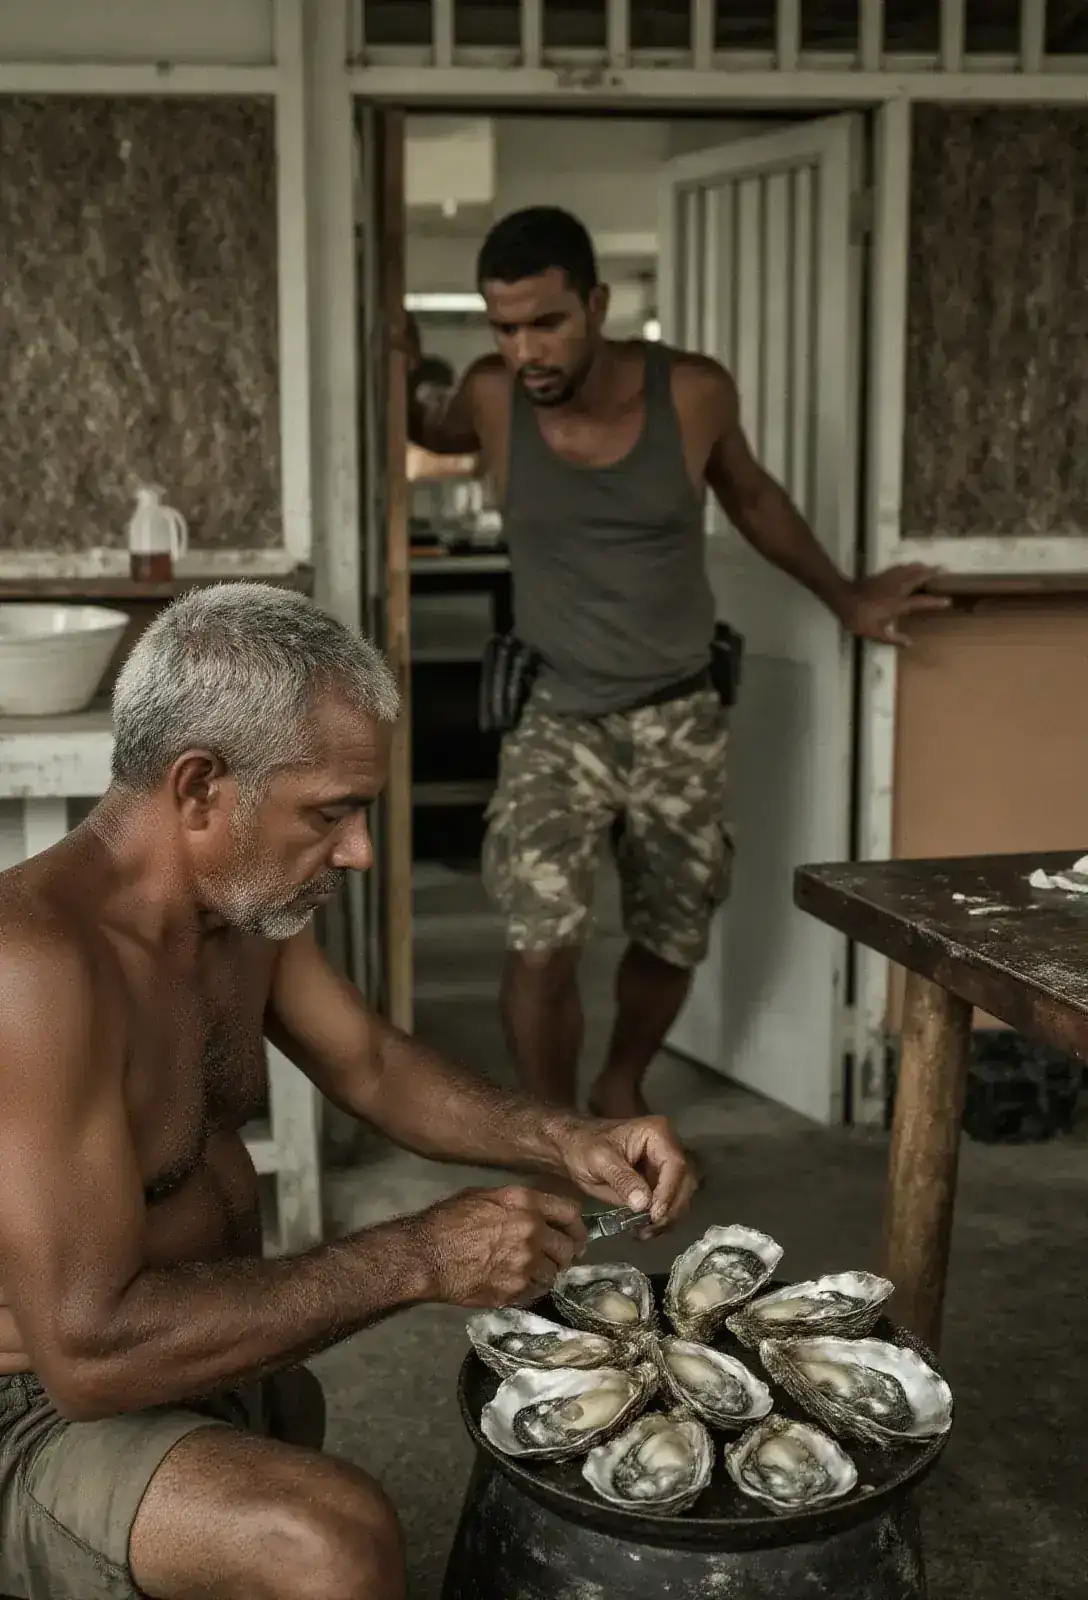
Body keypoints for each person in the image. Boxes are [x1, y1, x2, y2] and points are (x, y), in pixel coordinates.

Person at [0, 583, 696, 1600]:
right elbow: (90, 1351)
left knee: (294, 1405)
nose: (361, 850)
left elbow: (369, 1062)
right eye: (332, 811)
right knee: (329, 1539)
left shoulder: (236, 912)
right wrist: (418, 1254)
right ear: (200, 788)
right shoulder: (36, 969)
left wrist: (567, 1137)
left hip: (178, 1373)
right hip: (40, 1407)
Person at [405, 205, 951, 1122]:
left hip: (677, 710)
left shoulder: (692, 392)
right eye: (505, 328)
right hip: (554, 712)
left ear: (598, 303)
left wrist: (848, 596)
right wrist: (389, 356)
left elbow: (753, 498)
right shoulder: (492, 394)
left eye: (548, 323)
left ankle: (621, 1079)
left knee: (674, 929)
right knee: (541, 941)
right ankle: (552, 1130)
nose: (526, 349)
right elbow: (436, 432)